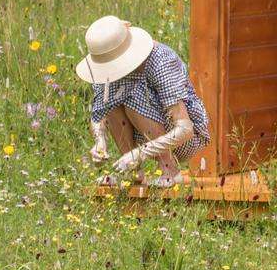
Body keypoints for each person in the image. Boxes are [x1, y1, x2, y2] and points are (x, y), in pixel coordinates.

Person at [76, 15, 210, 186]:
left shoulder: (160, 59)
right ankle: (133, 173)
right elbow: (99, 113)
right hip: (146, 138)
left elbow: (185, 129)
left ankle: (170, 172)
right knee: (112, 103)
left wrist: (140, 153)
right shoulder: (106, 69)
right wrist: (100, 141)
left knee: (132, 97)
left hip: (185, 140)